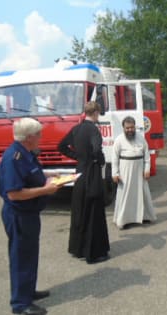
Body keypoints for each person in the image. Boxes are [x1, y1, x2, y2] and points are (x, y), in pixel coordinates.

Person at [0, 118, 62, 315]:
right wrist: (45, 190)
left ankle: (27, 292)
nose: (41, 137)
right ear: (29, 137)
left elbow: (31, 176)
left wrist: (49, 178)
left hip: (29, 214)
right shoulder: (14, 157)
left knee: (29, 255)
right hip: (19, 215)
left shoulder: (25, 154)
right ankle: (20, 304)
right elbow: (14, 193)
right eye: (39, 134)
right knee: (21, 258)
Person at [58, 101, 110, 264]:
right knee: (94, 210)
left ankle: (77, 249)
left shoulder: (77, 128)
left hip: (79, 172)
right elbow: (96, 149)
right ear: (95, 113)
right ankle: (93, 253)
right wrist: (99, 160)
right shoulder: (93, 129)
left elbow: (61, 146)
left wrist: (78, 158)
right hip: (91, 173)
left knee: (79, 210)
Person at [112, 116, 157, 229]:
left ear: (135, 127)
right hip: (125, 173)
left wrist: (147, 169)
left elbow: (147, 157)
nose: (130, 130)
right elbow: (114, 159)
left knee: (143, 194)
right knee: (125, 195)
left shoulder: (141, 139)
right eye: (127, 128)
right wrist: (115, 173)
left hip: (139, 172)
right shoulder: (119, 140)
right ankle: (123, 220)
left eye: (132, 127)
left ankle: (145, 216)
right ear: (123, 128)